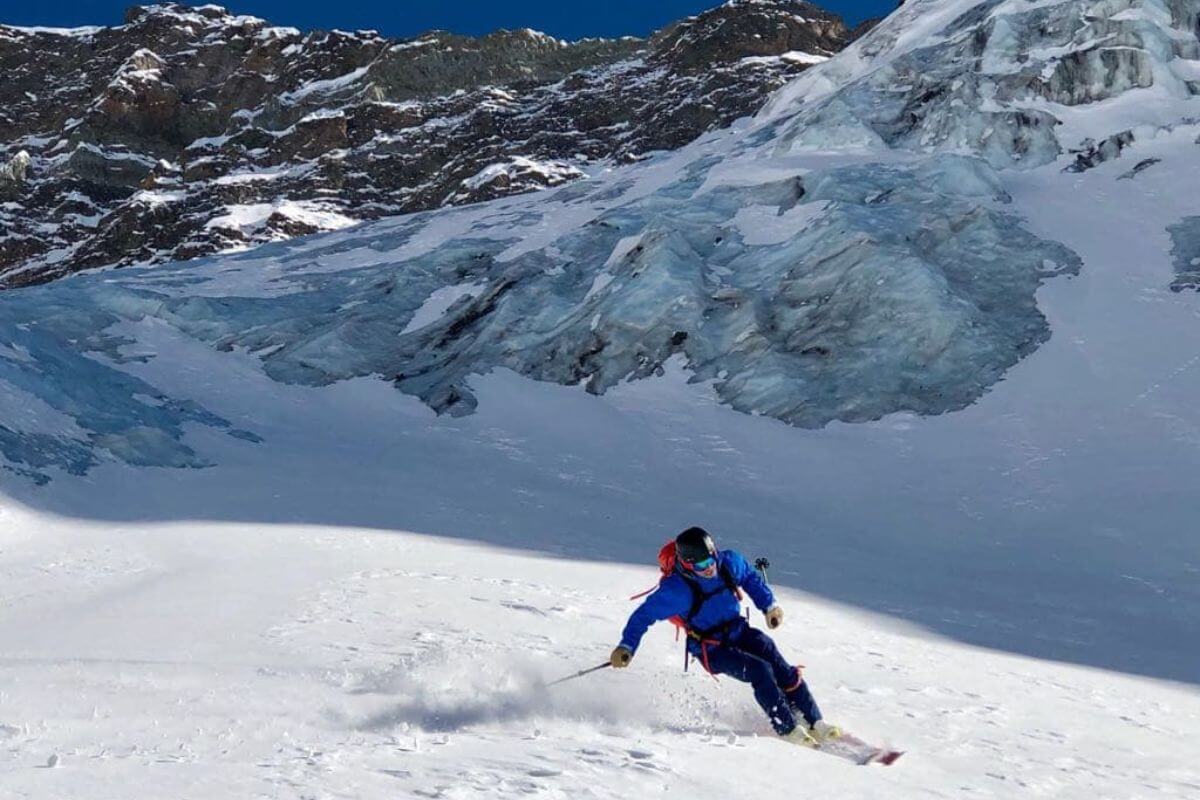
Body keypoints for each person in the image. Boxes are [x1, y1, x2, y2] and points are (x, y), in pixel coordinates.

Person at [610, 526, 838, 746]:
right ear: (686, 564)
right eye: (701, 565)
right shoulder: (676, 591)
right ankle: (787, 728)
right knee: (760, 670)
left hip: (737, 629)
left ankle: (814, 720)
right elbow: (643, 616)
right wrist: (626, 647)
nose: (709, 568)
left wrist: (769, 606)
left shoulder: (727, 563)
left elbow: (749, 576)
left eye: (710, 559)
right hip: (711, 648)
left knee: (774, 658)